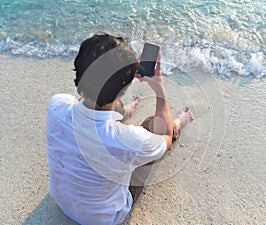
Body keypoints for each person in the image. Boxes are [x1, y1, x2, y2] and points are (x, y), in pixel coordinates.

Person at [46, 33, 193, 225]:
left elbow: (92, 97)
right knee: (153, 125)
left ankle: (122, 110)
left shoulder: (57, 105)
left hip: (62, 201)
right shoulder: (129, 140)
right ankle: (179, 123)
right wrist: (159, 87)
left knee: (97, 101)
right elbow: (164, 137)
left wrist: (120, 77)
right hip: (104, 218)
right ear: (124, 90)